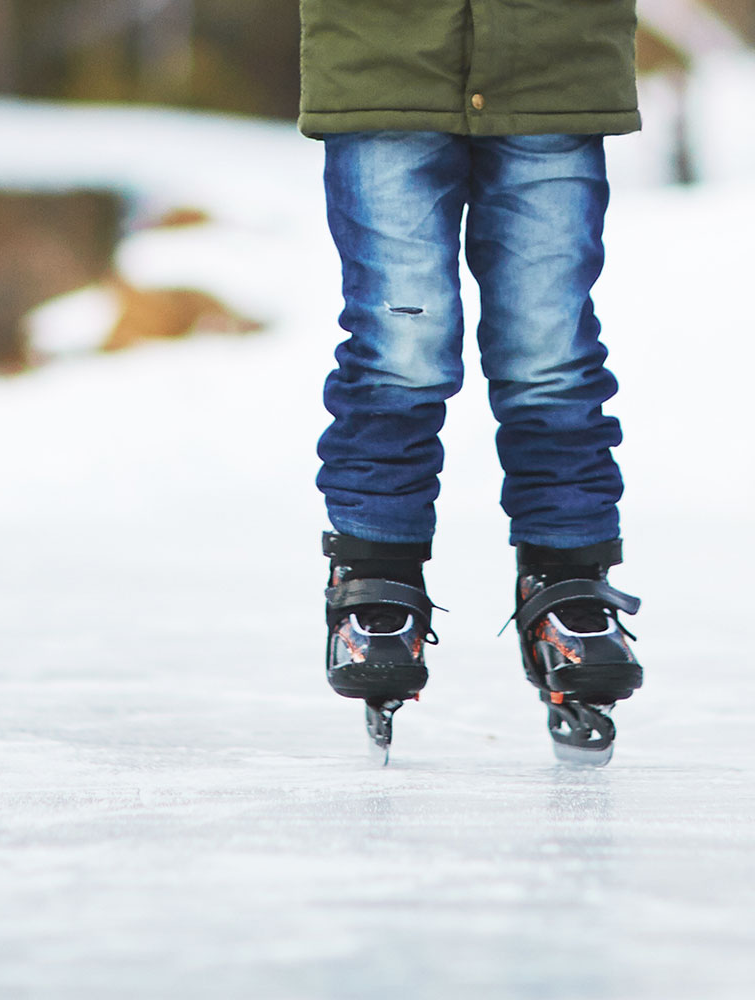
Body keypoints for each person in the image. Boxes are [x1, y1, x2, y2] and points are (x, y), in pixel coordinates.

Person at [299, 0, 644, 759]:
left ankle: (567, 578)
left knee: (549, 348)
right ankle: (374, 572)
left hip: (554, 56)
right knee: (401, 340)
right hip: (381, 56)